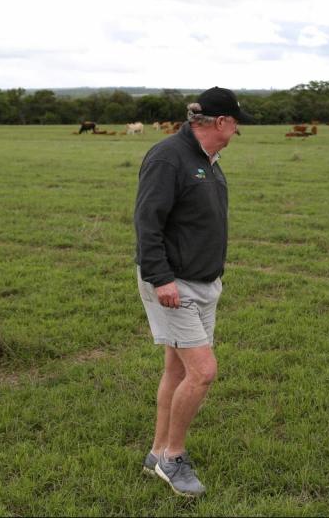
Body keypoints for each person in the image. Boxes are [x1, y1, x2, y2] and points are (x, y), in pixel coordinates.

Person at [133, 86, 250, 497]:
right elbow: (148, 222)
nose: (237, 132)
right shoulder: (169, 157)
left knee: (177, 370)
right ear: (220, 122)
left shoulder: (209, 160)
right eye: (235, 124)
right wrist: (160, 278)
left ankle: (156, 452)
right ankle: (173, 458)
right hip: (173, 282)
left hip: (202, 282)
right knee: (203, 372)